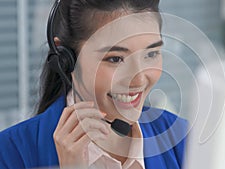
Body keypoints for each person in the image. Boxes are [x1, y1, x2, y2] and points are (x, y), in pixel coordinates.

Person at [0, 0, 187, 168]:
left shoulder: (183, 138)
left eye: (151, 54)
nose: (138, 80)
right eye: (115, 59)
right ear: (66, 59)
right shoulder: (9, 155)